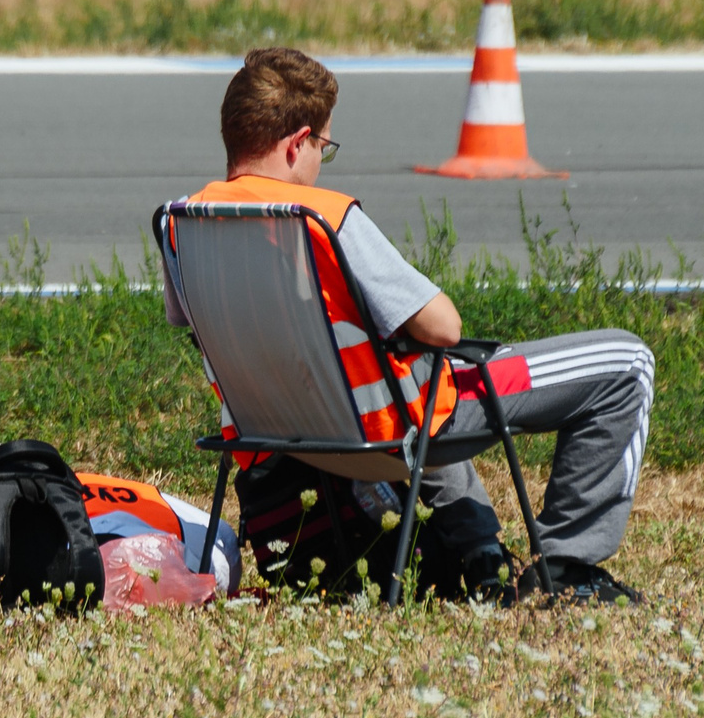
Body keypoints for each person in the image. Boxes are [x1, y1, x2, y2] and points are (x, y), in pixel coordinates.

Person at [168, 48, 653, 605]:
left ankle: (481, 553)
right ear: (296, 143)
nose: (321, 161)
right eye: (324, 146)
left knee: (411, 368)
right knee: (626, 362)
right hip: (376, 428)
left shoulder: (184, 222)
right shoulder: (323, 218)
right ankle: (568, 563)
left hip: (271, 430)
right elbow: (445, 325)